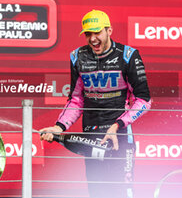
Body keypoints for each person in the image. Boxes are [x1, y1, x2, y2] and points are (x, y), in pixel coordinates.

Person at [40, 10, 151, 198]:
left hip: (120, 136)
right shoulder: (77, 57)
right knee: (97, 192)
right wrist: (59, 127)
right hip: (90, 136)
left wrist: (117, 125)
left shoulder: (128, 55)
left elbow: (144, 100)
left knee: (122, 192)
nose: (92, 39)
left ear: (109, 30)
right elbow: (76, 100)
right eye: (88, 34)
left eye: (97, 32)